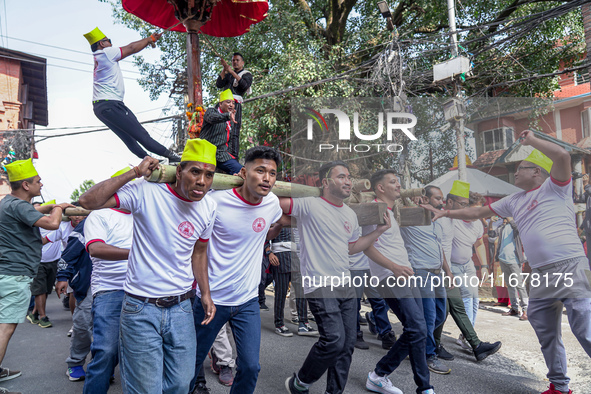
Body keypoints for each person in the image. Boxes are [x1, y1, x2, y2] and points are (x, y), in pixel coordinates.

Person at [422, 129, 591, 394]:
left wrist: (532, 140)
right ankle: (559, 386)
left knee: (586, 331)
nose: (516, 172)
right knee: (546, 332)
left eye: (521, 168)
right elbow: (477, 210)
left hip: (569, 267)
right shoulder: (513, 201)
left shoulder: (556, 187)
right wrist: (444, 212)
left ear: (537, 172)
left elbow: (562, 154)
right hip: (540, 274)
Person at [79, 139, 218, 394]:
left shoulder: (209, 206)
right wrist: (134, 173)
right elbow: (87, 201)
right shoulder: (146, 191)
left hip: (181, 308)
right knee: (146, 388)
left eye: (209, 175)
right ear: (179, 171)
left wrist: (206, 293)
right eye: (195, 172)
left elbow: (199, 251)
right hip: (140, 307)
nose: (202, 181)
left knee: (180, 382)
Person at [282, 161, 391, 394]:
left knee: (347, 344)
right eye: (341, 176)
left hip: (346, 284)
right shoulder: (308, 205)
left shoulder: (350, 214)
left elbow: (352, 247)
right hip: (319, 283)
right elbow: (274, 203)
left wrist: (378, 231)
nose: (348, 181)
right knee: (333, 340)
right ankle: (300, 382)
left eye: (349, 177)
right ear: (325, 182)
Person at [190, 146, 284, 394]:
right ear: (244, 172)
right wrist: (205, 293)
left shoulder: (272, 203)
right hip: (212, 299)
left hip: (247, 300)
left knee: (251, 367)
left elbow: (267, 229)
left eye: (272, 173)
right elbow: (197, 250)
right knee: (190, 362)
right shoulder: (215, 203)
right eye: (260, 170)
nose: (267, 178)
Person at [0, 158, 72, 394]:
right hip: (15, 275)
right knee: (5, 328)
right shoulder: (19, 206)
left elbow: (33, 211)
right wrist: (59, 208)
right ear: (26, 185)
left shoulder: (9, 203)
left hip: (8, 273)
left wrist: (48, 206)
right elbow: (52, 224)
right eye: (38, 181)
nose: (41, 184)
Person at [361, 169, 433, 394]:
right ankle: (424, 388)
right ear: (380, 187)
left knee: (418, 330)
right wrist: (392, 267)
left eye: (399, 182)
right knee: (418, 328)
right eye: (393, 182)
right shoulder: (374, 209)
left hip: (405, 274)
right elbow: (367, 246)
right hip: (390, 276)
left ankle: (379, 374)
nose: (399, 186)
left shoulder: (392, 211)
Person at [83, 27, 180, 163]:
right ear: (102, 43)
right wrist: (149, 39)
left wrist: (148, 41)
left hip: (100, 107)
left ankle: (150, 160)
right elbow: (132, 48)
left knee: (128, 137)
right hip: (111, 104)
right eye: (108, 41)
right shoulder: (107, 52)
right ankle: (172, 157)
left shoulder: (98, 57)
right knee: (141, 134)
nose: (111, 44)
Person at [82, 167, 134, 393]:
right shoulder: (99, 215)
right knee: (106, 351)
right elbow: (96, 248)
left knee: (138, 353)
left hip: (143, 290)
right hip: (110, 291)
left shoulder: (143, 213)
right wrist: (136, 253)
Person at [399, 185, 454, 376]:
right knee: (429, 316)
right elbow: (398, 208)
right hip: (421, 272)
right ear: (425, 199)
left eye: (442, 198)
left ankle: (412, 343)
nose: (441, 202)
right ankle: (428, 355)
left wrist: (448, 271)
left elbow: (439, 249)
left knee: (441, 312)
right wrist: (410, 202)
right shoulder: (409, 218)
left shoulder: (435, 221)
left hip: (437, 273)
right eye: (437, 199)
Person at [27, 202, 83, 329]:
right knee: (71, 292)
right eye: (75, 214)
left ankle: (36, 312)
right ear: (69, 215)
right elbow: (43, 240)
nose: (78, 216)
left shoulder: (92, 225)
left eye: (81, 213)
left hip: (87, 264)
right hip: (69, 265)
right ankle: (74, 324)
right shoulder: (61, 227)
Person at [55, 218, 93, 382]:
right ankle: (76, 363)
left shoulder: (140, 214)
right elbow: (70, 252)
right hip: (91, 282)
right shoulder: (90, 221)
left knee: (113, 329)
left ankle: (103, 365)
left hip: (128, 284)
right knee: (84, 323)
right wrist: (63, 276)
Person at [268, 228, 317, 337]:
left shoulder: (293, 215)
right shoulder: (274, 213)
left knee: (301, 291)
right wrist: (269, 252)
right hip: (279, 256)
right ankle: (279, 324)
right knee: (281, 292)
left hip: (294, 256)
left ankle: (303, 323)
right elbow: (263, 235)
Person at [215, 52, 253, 159]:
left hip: (235, 104)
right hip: (223, 105)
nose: (235, 62)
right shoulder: (228, 75)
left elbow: (244, 85)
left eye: (237, 60)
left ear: (242, 62)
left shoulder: (246, 74)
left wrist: (231, 71)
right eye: (233, 61)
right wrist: (224, 69)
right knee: (220, 128)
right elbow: (219, 84)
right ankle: (220, 153)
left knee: (234, 130)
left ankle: (233, 157)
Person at [199, 89, 243, 175]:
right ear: (220, 104)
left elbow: (230, 141)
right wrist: (228, 115)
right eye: (228, 102)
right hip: (206, 153)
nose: (231, 105)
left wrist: (232, 157)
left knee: (242, 172)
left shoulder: (231, 121)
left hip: (222, 155)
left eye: (233, 103)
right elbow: (212, 118)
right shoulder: (211, 111)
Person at [496, 217, 529, 321]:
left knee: (519, 285)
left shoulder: (518, 223)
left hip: (514, 259)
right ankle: (514, 308)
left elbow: (519, 229)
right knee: (510, 284)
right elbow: (494, 237)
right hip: (503, 258)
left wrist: (510, 220)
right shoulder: (503, 226)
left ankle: (526, 310)